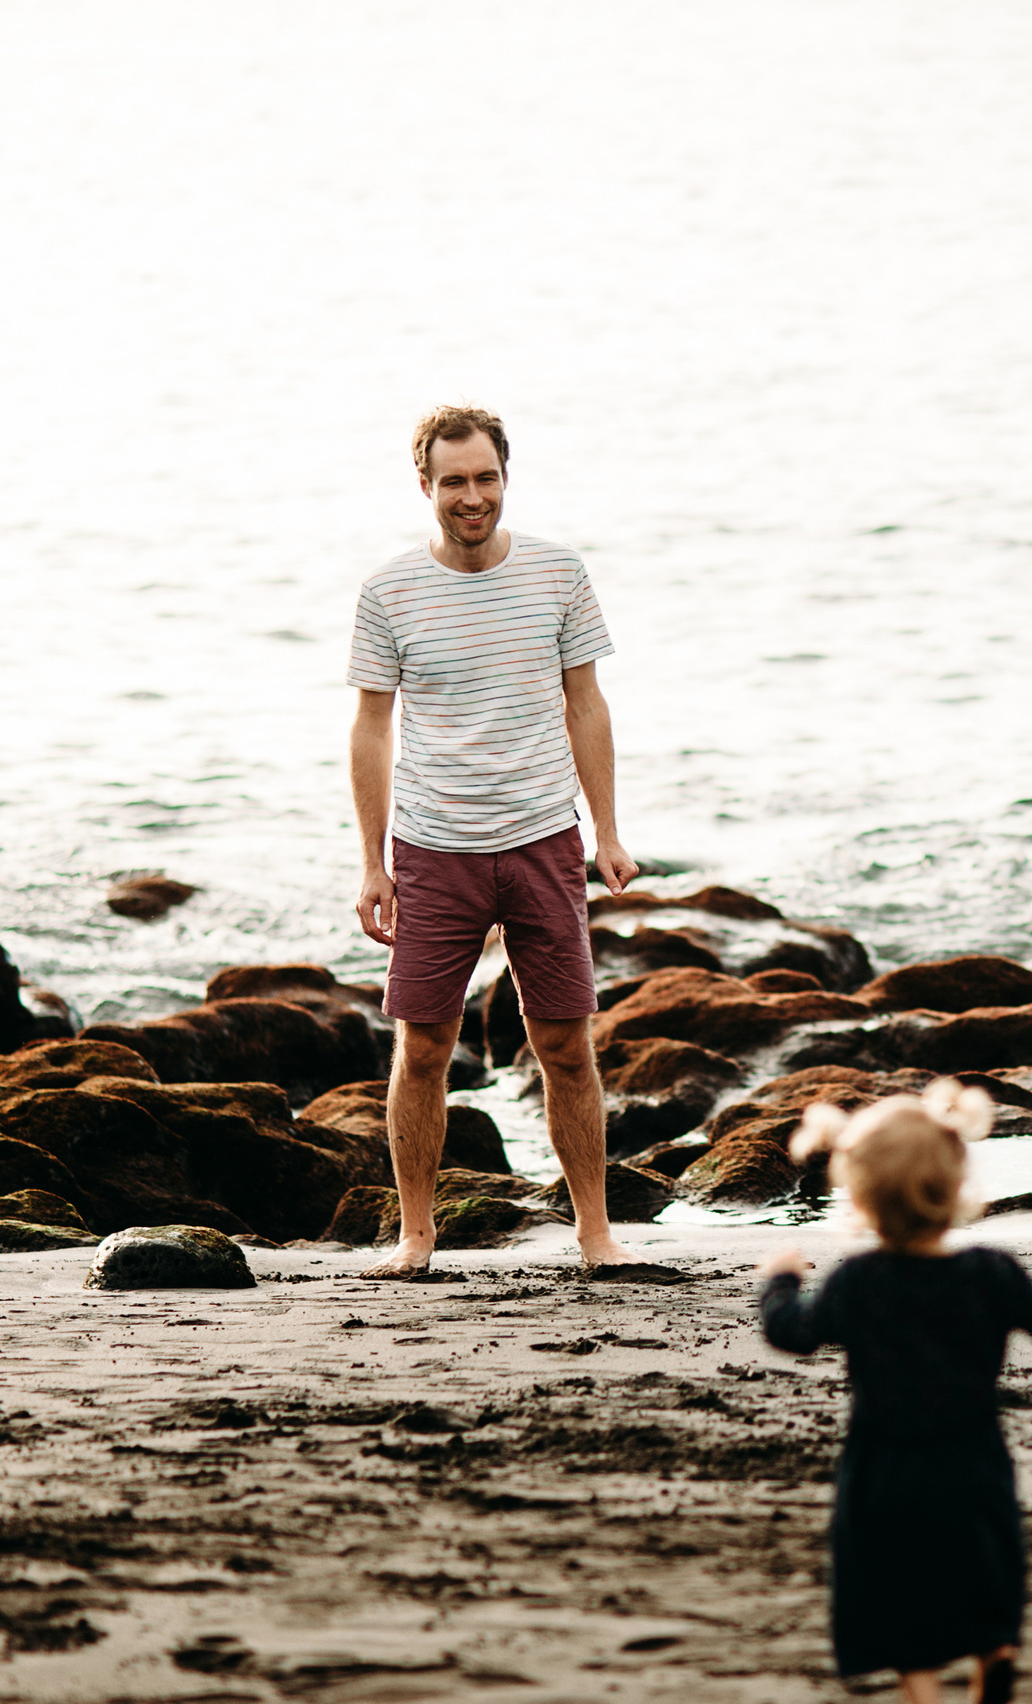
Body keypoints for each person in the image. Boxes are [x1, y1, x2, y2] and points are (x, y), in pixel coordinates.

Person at [757, 1082, 1032, 1704]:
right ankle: (995, 1655)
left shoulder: (859, 1282)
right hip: (972, 1458)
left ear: (862, 1196)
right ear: (956, 1184)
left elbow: (790, 1333)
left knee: (894, 1583)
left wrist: (781, 1281)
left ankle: (924, 1693)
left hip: (885, 1466)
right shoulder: (988, 1273)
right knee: (985, 1564)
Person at [347, 404, 639, 1275]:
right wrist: (372, 864)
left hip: (544, 838)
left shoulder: (558, 573)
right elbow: (371, 728)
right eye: (454, 482)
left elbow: (585, 703)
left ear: (505, 477)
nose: (472, 497)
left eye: (485, 478)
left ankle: (595, 1233)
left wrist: (607, 833)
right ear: (425, 485)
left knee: (566, 1048)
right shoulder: (389, 592)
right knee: (423, 1048)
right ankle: (416, 1236)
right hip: (434, 848)